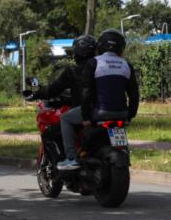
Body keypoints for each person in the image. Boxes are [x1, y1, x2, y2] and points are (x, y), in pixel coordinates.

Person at [60, 28, 139, 171]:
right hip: (122, 114)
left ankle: (71, 158)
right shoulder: (126, 64)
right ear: (121, 46)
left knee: (65, 118)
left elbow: (86, 92)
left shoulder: (94, 63)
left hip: (99, 113)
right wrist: (130, 115)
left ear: (100, 45)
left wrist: (86, 116)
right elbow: (134, 93)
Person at [26, 35, 97, 171]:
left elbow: (53, 89)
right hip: (102, 111)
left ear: (76, 52)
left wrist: (37, 93)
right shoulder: (101, 68)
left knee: (50, 133)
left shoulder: (73, 71)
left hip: (84, 113)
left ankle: (70, 158)